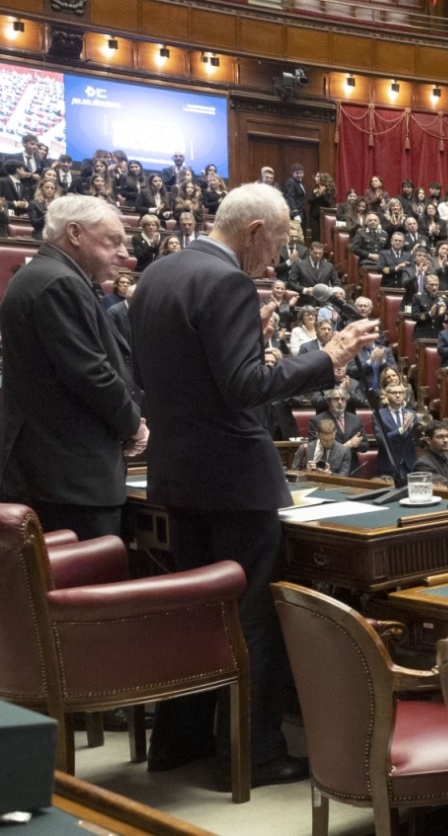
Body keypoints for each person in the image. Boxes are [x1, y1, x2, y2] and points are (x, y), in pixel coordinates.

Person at [130, 183, 379, 790]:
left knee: (195, 611)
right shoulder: (228, 283)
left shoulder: (158, 275)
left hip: (178, 473)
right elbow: (243, 388)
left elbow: (177, 371)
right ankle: (254, 755)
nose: (279, 255)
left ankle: (179, 743)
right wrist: (328, 355)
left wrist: (250, 339)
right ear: (254, 231)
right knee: (250, 618)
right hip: (235, 482)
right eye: (281, 241)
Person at [0, 195, 147, 540]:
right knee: (86, 574)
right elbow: (91, 375)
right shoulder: (60, 282)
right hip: (70, 480)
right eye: (113, 241)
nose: (124, 253)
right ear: (75, 233)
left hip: (52, 473)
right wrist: (133, 426)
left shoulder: (42, 275)